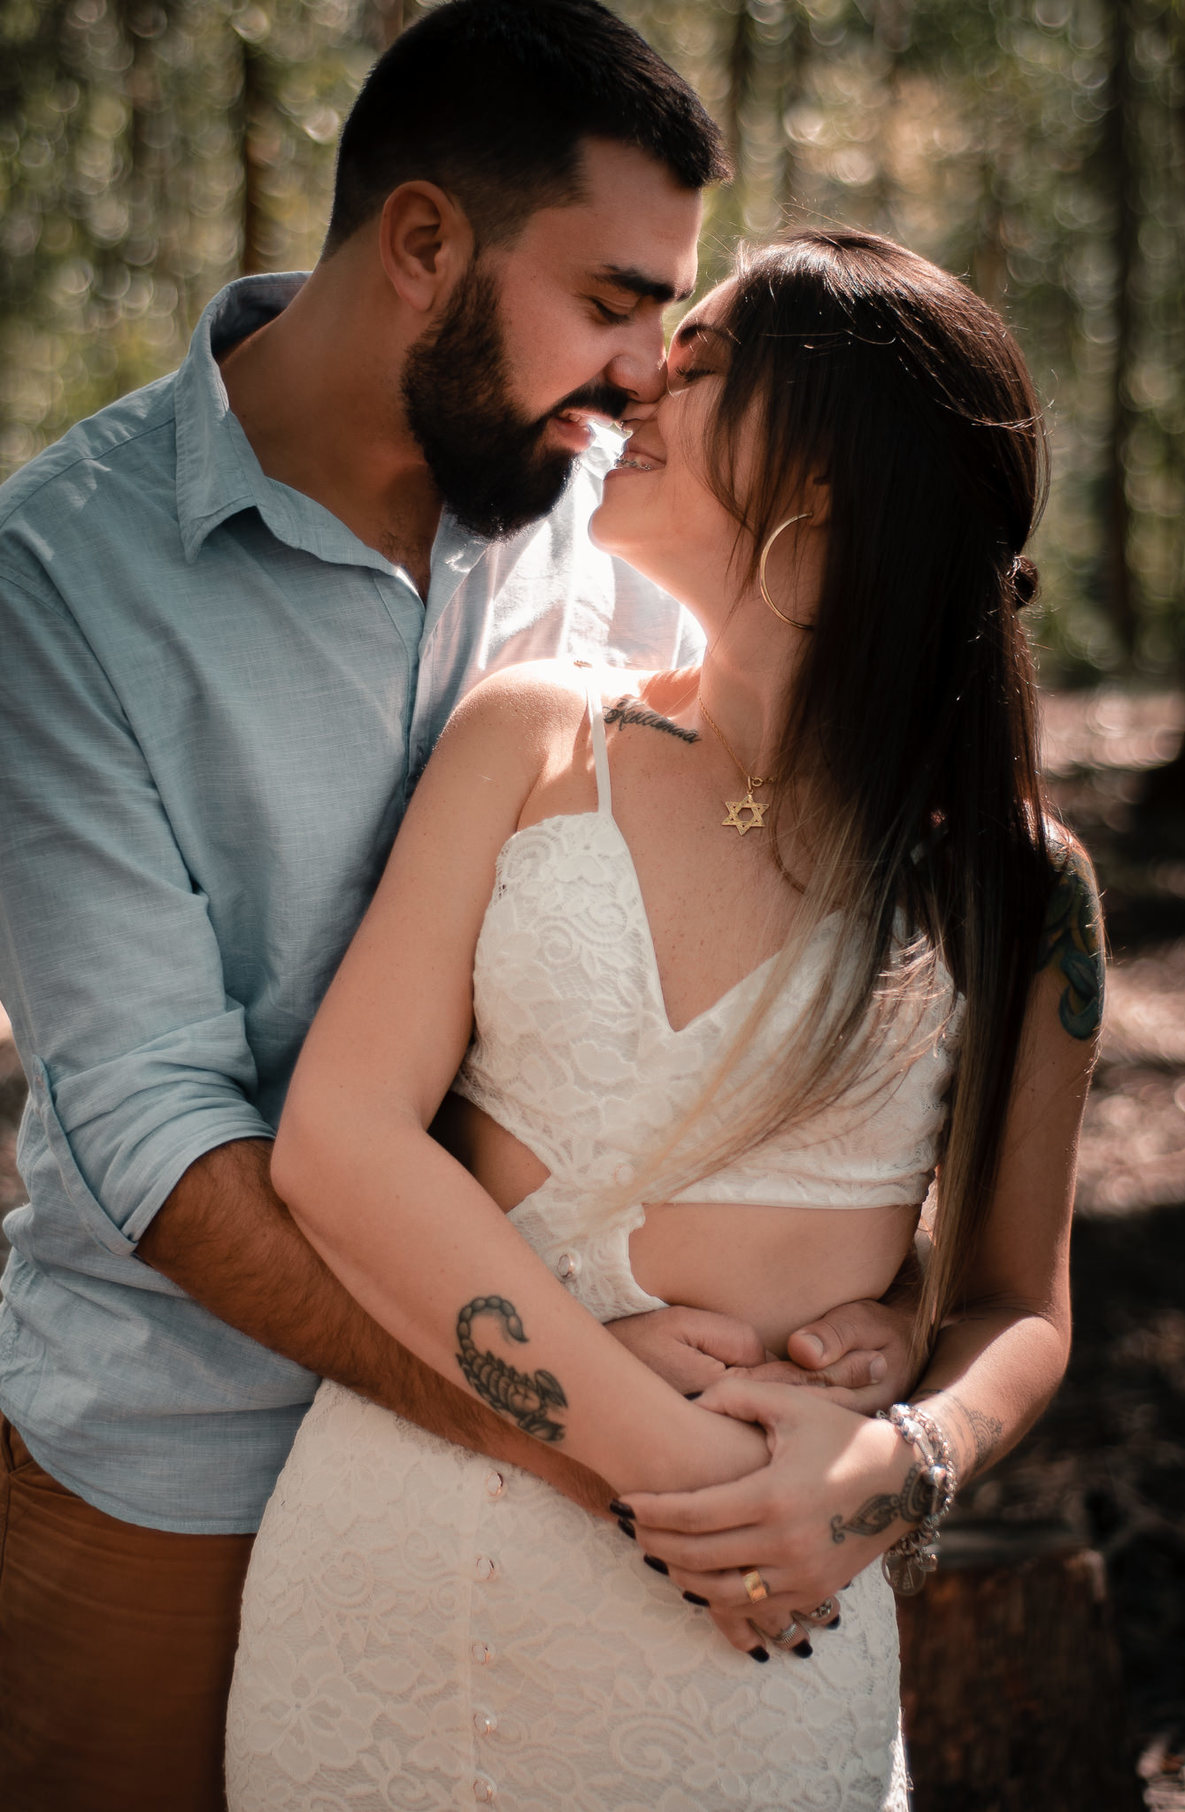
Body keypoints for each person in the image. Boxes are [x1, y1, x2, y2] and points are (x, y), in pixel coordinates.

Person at [0, 6, 907, 1808]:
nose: (652, 371)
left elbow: (757, 924)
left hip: (585, 1456)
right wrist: (586, 1425)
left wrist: (867, 1319)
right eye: (615, 300)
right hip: (181, 1462)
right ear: (423, 245)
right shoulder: (57, 575)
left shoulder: (624, 510)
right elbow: (151, 1129)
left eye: (672, 317)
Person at [224, 230, 1104, 1810]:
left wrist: (895, 1476)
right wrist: (678, 1465)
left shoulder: (1022, 891)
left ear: (830, 477)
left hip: (750, 1643)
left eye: (702, 358)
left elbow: (1014, 1307)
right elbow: (342, 1143)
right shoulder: (533, 736)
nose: (639, 379)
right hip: (402, 1583)